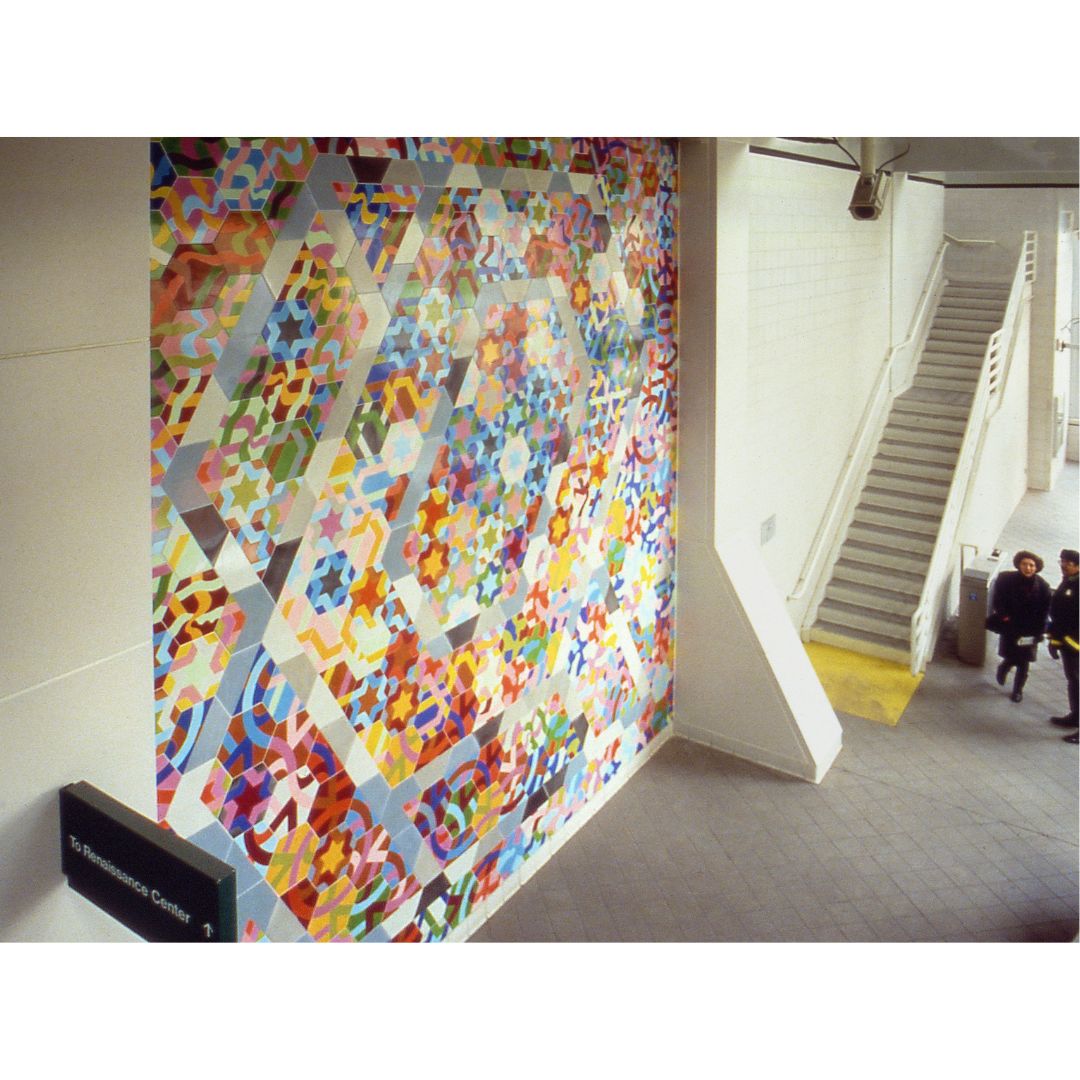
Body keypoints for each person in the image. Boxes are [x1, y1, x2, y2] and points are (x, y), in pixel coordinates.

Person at [988, 549, 1052, 703]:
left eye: (1031, 565)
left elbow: (1044, 611)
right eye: (1024, 564)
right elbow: (998, 600)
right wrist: (1004, 616)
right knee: (1011, 655)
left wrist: (1040, 632)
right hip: (1010, 625)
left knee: (1024, 661)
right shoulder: (1005, 579)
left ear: (1036, 568)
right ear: (1018, 564)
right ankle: (1004, 666)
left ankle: (1017, 690)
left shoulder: (1043, 586)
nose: (1028, 568)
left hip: (1030, 629)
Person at [1047, 548, 1079, 744]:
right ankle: (1075, 716)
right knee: (1073, 681)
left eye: (1067, 563)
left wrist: (1073, 641)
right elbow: (1059, 614)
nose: (1063, 565)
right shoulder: (1069, 580)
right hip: (1068, 643)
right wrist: (1055, 640)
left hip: (1075, 645)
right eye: (1062, 562)